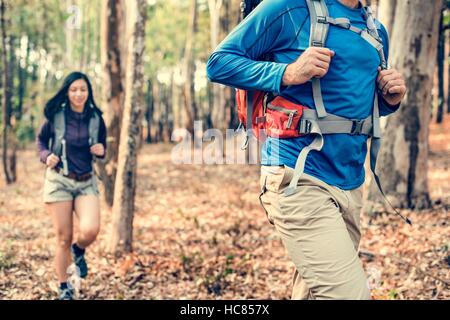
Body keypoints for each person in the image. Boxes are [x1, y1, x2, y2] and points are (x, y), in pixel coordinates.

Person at [207, 0, 406, 299]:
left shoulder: (376, 31)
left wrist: (390, 99)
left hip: (351, 183)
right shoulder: (288, 8)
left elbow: (352, 107)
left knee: (313, 293)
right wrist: (287, 73)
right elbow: (218, 62)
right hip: (297, 177)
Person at [36, 72, 107, 300]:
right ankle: (64, 286)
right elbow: (40, 141)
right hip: (59, 181)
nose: (78, 94)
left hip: (86, 181)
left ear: (88, 92)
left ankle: (79, 250)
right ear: (67, 91)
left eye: (83, 90)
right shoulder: (56, 116)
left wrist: (101, 150)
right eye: (74, 89)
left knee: (90, 230)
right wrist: (46, 155)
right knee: (63, 238)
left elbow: (102, 145)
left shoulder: (96, 117)